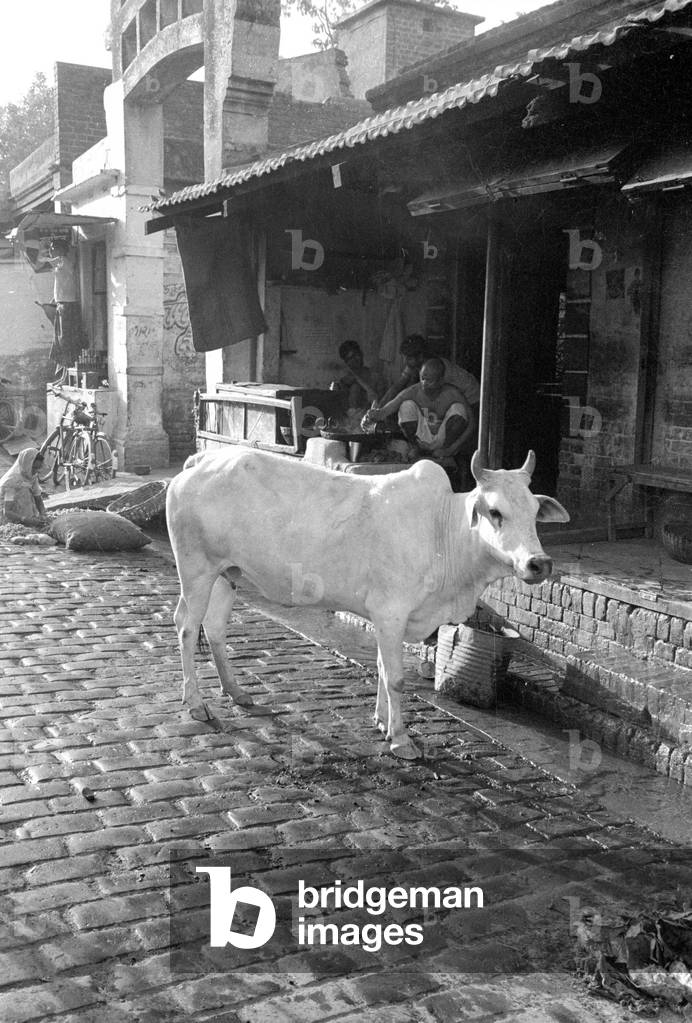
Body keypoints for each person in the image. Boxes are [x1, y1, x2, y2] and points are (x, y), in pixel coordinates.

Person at [365, 358, 474, 464]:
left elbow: (472, 424)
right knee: (406, 406)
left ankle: (445, 455)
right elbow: (385, 411)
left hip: (444, 442)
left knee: (459, 409)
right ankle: (417, 449)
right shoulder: (413, 391)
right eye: (422, 378)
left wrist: (450, 449)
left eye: (429, 380)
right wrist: (373, 414)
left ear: (441, 380)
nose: (424, 384)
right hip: (422, 440)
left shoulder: (453, 393)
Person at [377, 333, 480, 415]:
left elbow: (410, 393)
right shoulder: (415, 365)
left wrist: (384, 411)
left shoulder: (438, 368)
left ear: (420, 356)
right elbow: (397, 387)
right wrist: (379, 407)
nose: (405, 362)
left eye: (408, 358)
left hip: (473, 402)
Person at [45, 237, 82, 384]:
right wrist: (54, 299)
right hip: (62, 303)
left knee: (65, 341)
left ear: (61, 249)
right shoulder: (61, 262)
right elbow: (62, 283)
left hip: (68, 305)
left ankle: (66, 378)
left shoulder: (64, 261)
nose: (51, 250)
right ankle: (63, 376)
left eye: (53, 247)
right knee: (60, 341)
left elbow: (42, 261)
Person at [0, 447, 47, 528]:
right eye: (34, 468)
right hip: (11, 519)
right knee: (24, 490)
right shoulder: (12, 481)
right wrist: (24, 519)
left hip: (27, 517)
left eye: (38, 468)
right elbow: (7, 512)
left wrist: (43, 514)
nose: (36, 471)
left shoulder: (32, 476)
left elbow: (38, 498)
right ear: (26, 464)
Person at [334, 340, 381, 410]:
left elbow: (378, 401)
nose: (354, 360)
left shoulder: (375, 377)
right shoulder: (343, 382)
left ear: (361, 354)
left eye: (356, 355)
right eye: (350, 358)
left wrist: (358, 380)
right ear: (346, 362)